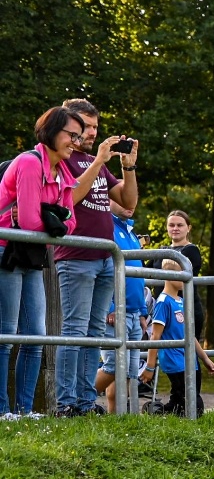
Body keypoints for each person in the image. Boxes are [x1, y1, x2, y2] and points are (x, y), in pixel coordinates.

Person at [0, 106, 86, 420]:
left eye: (79, 136)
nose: (75, 142)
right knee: (7, 334)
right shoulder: (28, 162)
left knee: (36, 334)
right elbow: (29, 221)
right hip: (6, 249)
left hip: (33, 254)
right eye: (70, 135)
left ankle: (24, 411)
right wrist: (52, 222)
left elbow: (70, 223)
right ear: (51, 131)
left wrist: (50, 222)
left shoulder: (64, 172)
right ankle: (2, 410)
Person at [58, 98, 138, 417]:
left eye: (95, 126)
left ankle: (83, 401)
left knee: (94, 334)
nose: (92, 132)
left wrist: (128, 165)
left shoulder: (99, 163)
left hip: (105, 258)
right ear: (68, 125)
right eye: (86, 126)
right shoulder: (60, 159)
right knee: (74, 331)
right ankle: (65, 403)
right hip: (76, 256)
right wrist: (98, 161)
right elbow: (70, 196)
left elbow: (128, 201)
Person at [140, 259, 214, 416]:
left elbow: (190, 335)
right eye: (182, 274)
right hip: (174, 360)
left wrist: (205, 358)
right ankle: (161, 412)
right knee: (193, 405)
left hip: (190, 360)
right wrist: (150, 366)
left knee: (185, 400)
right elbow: (155, 335)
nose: (186, 278)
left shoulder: (182, 301)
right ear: (169, 275)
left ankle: (157, 411)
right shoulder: (163, 302)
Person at [94, 201, 150, 411]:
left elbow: (139, 277)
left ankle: (119, 419)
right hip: (116, 311)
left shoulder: (131, 232)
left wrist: (143, 312)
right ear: (108, 199)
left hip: (135, 313)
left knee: (129, 370)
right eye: (122, 197)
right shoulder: (105, 227)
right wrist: (109, 306)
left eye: (133, 198)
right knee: (114, 366)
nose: (130, 203)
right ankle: (77, 404)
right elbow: (100, 270)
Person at [163, 211, 206, 341]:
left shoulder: (191, 250)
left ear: (189, 228)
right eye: (171, 225)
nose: (175, 228)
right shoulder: (163, 250)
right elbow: (143, 270)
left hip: (186, 308)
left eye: (180, 225)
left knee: (187, 353)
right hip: (165, 309)